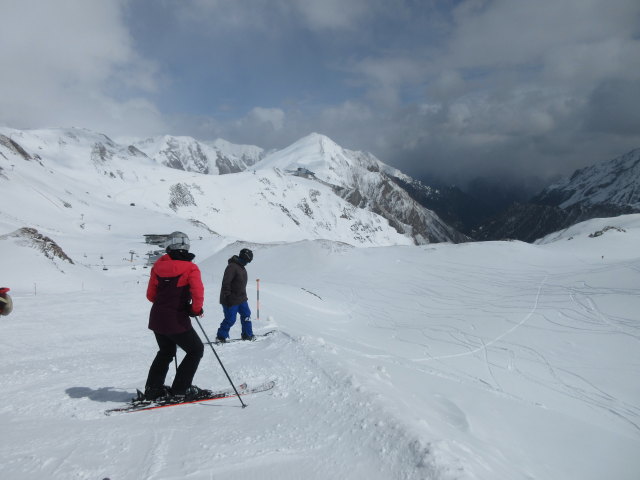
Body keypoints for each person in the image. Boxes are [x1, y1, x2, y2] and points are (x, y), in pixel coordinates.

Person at [144, 231, 210, 401]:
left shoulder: (158, 267)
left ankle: (153, 389)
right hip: (176, 319)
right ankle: (181, 389)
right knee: (196, 350)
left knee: (166, 352)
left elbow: (151, 296)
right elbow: (198, 293)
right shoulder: (191, 268)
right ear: (186, 247)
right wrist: (195, 310)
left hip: (157, 318)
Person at [216, 248, 254, 342]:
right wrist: (227, 296)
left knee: (246, 316)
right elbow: (226, 283)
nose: (247, 263)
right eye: (247, 261)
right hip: (230, 299)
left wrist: (244, 296)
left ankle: (247, 334)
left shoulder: (241, 267)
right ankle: (221, 337)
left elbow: (240, 284)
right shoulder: (232, 267)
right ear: (244, 258)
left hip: (241, 298)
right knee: (230, 319)